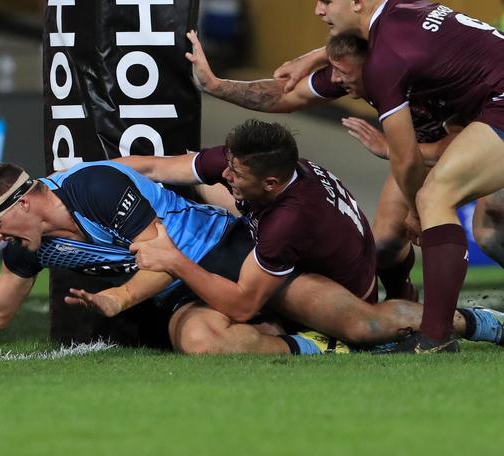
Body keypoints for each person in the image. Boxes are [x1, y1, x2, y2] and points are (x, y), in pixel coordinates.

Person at [0, 160, 351, 356]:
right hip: (178, 288)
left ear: (22, 205)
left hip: (222, 252)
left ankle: (411, 330)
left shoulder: (94, 187)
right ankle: (314, 349)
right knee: (203, 344)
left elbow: (162, 257)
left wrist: (118, 299)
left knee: (356, 318)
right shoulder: (28, 244)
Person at [268, 0, 504, 353]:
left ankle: (435, 336)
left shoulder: (388, 57)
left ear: (356, 2)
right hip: (490, 111)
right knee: (490, 228)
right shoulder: (400, 15)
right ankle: (427, 323)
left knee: (434, 200)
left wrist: (416, 208)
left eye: (325, 1)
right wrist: (215, 83)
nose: (317, 11)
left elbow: (409, 158)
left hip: (498, 106)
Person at [117, 119, 504, 352]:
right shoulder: (256, 162)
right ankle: (305, 341)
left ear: (269, 183)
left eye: (236, 174)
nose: (227, 175)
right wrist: (70, 179)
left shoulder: (289, 220)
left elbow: (241, 307)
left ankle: (473, 322)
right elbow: (154, 166)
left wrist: (176, 262)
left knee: (365, 327)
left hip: (342, 291)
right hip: (307, 261)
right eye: (229, 167)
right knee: (203, 338)